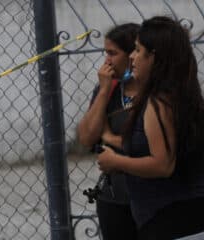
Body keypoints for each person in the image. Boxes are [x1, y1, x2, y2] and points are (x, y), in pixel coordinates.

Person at [97, 16, 204, 239]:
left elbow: (162, 164)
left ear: (154, 57)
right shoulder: (183, 94)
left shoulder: (159, 102)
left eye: (137, 50)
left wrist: (116, 162)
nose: (133, 57)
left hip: (170, 220)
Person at [77, 23, 139, 240]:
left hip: (151, 194)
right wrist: (104, 90)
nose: (107, 61)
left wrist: (111, 137)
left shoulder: (157, 91)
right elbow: (86, 137)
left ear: (135, 53)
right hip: (114, 195)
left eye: (113, 53)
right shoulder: (110, 89)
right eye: (106, 53)